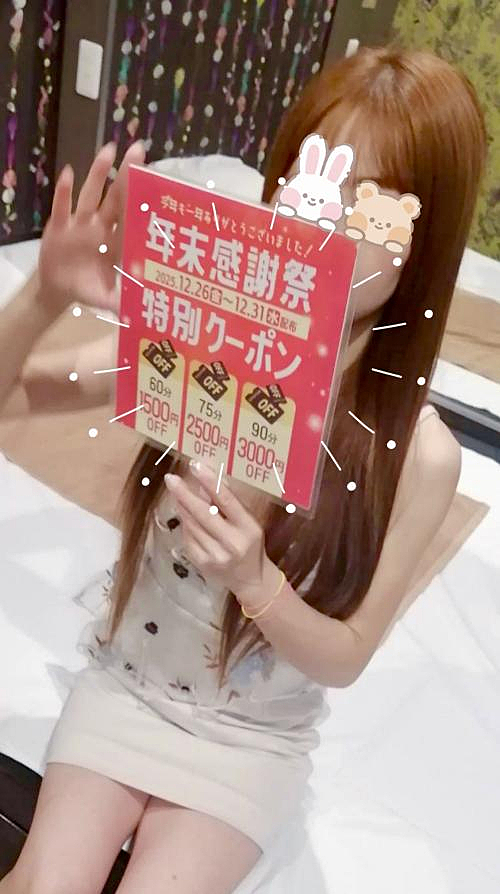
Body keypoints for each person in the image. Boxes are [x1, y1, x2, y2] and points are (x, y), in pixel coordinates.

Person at [0, 46, 486, 894]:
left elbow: (344, 657)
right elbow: (13, 400)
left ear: (425, 236)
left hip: (249, 741)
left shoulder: (419, 453)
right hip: (127, 688)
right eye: (314, 180)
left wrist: (257, 583)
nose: (324, 221)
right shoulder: (202, 334)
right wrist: (45, 295)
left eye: (371, 204)